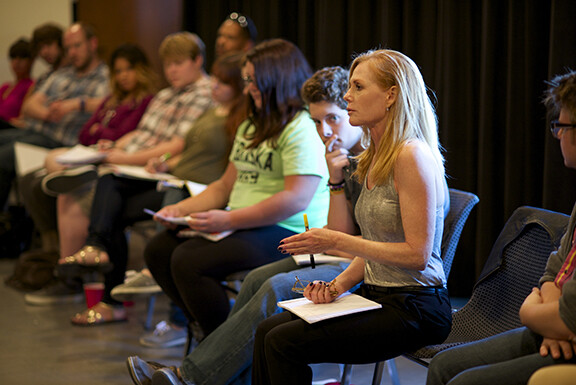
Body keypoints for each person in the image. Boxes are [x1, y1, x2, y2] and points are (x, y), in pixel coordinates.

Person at [126, 65, 364, 385]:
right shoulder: (341, 158)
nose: (324, 131)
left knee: (269, 287)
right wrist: (335, 182)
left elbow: (367, 246)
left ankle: (192, 376)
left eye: (333, 119)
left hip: (363, 270)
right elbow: (339, 237)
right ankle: (225, 366)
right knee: (252, 280)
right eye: (317, 121)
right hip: (338, 257)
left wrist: (336, 273)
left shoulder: (383, 159)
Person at [249, 48, 450, 385]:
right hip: (378, 293)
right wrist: (337, 285)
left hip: (415, 307)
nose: (346, 96)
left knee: (283, 343)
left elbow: (417, 255)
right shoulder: (375, 156)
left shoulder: (411, 155)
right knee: (269, 329)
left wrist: (337, 240)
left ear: (391, 95)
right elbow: (376, 245)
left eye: (358, 87)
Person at [142, 38, 329, 360]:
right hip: (245, 222)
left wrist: (227, 219)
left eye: (253, 81)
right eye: (246, 80)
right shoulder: (250, 126)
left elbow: (295, 199)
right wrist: (179, 210)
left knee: (189, 261)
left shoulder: (300, 127)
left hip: (291, 230)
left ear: (277, 79)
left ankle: (222, 354)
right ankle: (220, 335)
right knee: (159, 249)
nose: (247, 89)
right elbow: (223, 187)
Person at [37, 32, 217, 323]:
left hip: (169, 177)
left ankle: (102, 273)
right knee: (111, 202)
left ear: (197, 61)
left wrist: (124, 157)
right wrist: (117, 145)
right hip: (137, 168)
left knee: (109, 183)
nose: (171, 70)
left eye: (178, 63)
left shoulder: (206, 94)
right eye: (167, 64)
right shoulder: (165, 94)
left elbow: (177, 145)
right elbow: (143, 133)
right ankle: (103, 272)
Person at [425, 70, 576, 385]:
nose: (558, 135)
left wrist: (538, 314)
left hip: (562, 332)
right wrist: (554, 323)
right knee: (443, 366)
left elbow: (568, 316)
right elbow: (556, 267)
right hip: (557, 329)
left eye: (561, 126)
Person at [6, 43, 158, 295]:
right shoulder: (111, 100)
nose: (123, 76)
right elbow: (86, 131)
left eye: (129, 69)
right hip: (93, 153)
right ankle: (63, 260)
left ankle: (70, 271)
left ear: (141, 70)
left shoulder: (146, 102)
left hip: (116, 159)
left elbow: (124, 133)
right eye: (118, 70)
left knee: (67, 187)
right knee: (37, 180)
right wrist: (98, 134)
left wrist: (102, 133)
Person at [0, 22, 109, 212]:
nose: (72, 53)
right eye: (68, 48)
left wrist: (76, 104)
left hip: (61, 143)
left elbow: (109, 104)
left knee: (3, 158)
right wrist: (47, 113)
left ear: (93, 44)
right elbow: (29, 105)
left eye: (77, 46)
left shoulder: (105, 77)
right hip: (36, 131)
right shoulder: (61, 75)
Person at [0, 38, 35, 129]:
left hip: (12, 130)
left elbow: (23, 120)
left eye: (22, 58)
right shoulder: (5, 87)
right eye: (13, 58)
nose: (16, 62)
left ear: (31, 61)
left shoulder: (32, 86)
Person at [30, 23, 66, 89]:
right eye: (40, 48)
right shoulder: (44, 77)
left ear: (61, 43)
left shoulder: (76, 73)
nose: (44, 52)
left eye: (49, 44)